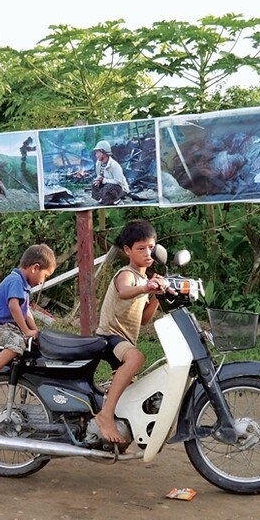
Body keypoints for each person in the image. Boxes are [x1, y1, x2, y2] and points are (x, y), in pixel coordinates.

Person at [92, 220, 172, 443]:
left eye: (151, 247)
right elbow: (126, 292)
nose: (148, 253)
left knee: (131, 396)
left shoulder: (145, 279)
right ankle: (105, 415)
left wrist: (156, 294)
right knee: (136, 358)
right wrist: (146, 288)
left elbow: (145, 319)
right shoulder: (126, 274)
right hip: (109, 337)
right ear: (127, 250)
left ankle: (113, 432)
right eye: (141, 248)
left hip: (124, 341)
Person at [0, 244, 57, 399]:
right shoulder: (15, 281)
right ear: (35, 268)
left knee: (32, 346)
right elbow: (14, 307)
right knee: (18, 343)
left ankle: (25, 389)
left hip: (7, 327)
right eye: (45, 276)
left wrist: (37, 333)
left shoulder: (23, 285)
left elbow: (26, 313)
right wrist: (26, 331)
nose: (43, 282)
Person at [91, 140, 129, 205]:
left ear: (104, 152)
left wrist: (104, 180)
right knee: (94, 184)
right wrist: (98, 180)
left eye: (98, 152)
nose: (96, 155)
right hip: (107, 185)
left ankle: (117, 200)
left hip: (120, 189)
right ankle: (102, 198)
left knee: (108, 187)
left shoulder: (114, 165)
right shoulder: (98, 163)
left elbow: (118, 182)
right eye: (96, 153)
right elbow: (99, 175)